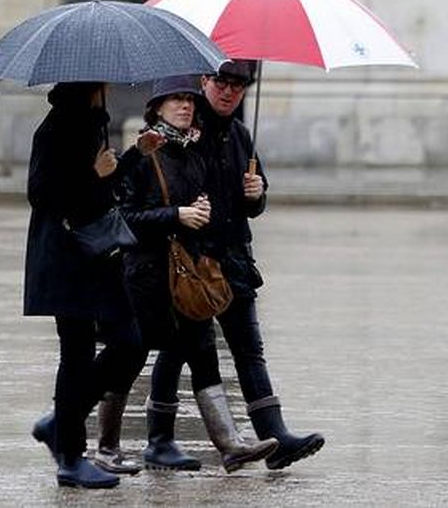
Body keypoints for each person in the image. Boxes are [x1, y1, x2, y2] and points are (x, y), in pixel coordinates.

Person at [117, 75, 278, 473]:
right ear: (156, 107)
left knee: (203, 353)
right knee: (128, 359)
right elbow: (124, 217)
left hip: (185, 273)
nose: (186, 106)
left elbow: (210, 208)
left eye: (188, 100)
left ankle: (230, 445)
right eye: (175, 100)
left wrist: (235, 200)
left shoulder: (194, 151)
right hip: (148, 276)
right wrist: (176, 215)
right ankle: (101, 441)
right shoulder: (142, 153)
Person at [23, 81, 162, 489]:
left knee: (131, 342)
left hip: (97, 256)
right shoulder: (56, 128)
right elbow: (42, 195)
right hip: (68, 257)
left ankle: (61, 421)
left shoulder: (92, 124)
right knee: (77, 352)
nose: (107, 87)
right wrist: (92, 173)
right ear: (87, 86)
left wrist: (137, 155)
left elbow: (106, 191)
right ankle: (69, 457)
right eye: (100, 82)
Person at [193, 59, 325, 470]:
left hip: (235, 260)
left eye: (238, 84)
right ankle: (159, 436)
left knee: (250, 351)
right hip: (194, 263)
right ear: (205, 81)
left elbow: (254, 206)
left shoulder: (240, 135)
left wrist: (256, 192)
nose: (229, 91)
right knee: (182, 352)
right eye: (222, 82)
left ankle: (276, 434)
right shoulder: (187, 133)